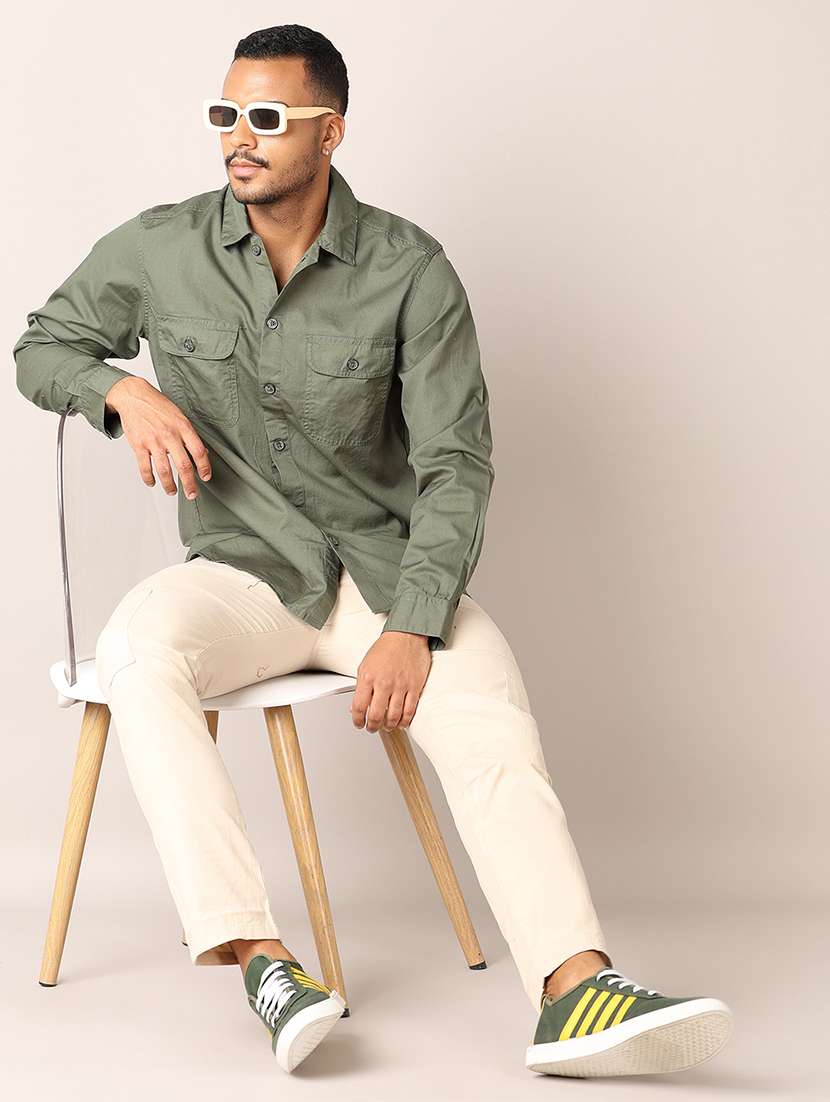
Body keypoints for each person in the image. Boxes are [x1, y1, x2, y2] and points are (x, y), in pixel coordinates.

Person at [13, 22, 733, 1078]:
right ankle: (263, 961)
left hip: (384, 577)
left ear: (330, 132)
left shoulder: (409, 269)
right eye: (225, 114)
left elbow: (456, 465)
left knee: (484, 704)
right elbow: (42, 347)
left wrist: (412, 623)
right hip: (243, 573)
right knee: (136, 649)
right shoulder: (160, 249)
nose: (238, 137)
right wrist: (122, 390)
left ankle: (574, 990)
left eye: (267, 117)